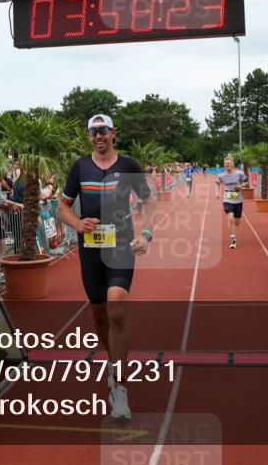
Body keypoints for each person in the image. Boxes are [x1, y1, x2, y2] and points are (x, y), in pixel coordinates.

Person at [56, 114, 154, 420]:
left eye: (104, 131)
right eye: (93, 132)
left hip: (121, 246)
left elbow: (148, 201)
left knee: (116, 308)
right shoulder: (80, 167)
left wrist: (147, 233)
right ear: (89, 137)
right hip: (90, 249)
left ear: (113, 133)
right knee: (99, 312)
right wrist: (77, 223)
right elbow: (62, 207)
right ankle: (115, 362)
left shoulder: (128, 166)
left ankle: (120, 388)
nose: (99, 136)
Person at [0, 177, 23, 282]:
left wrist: (10, 205)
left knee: (2, 249)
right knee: (0, 250)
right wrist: (13, 204)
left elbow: (1, 201)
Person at [216, 156, 248, 250]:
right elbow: (217, 183)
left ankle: (236, 219)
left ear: (233, 164)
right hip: (227, 198)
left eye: (229, 163)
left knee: (237, 222)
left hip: (238, 199)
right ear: (224, 165)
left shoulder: (239, 173)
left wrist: (240, 186)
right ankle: (233, 240)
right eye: (226, 163)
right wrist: (217, 192)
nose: (227, 165)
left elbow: (246, 181)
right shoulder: (221, 175)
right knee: (230, 219)